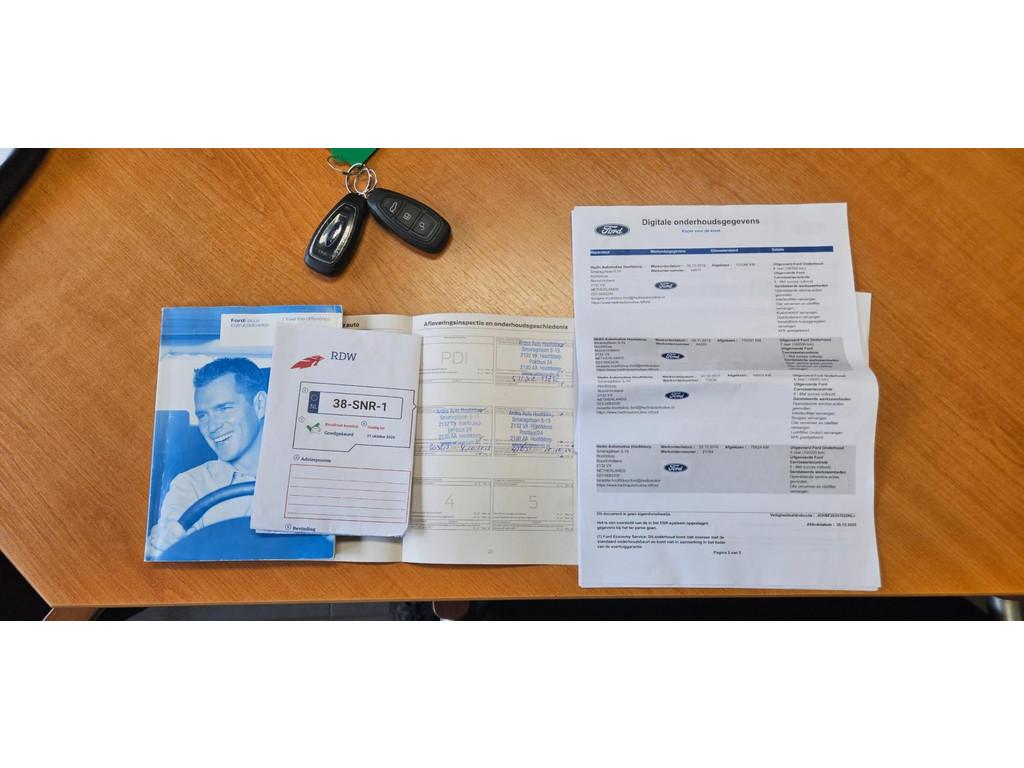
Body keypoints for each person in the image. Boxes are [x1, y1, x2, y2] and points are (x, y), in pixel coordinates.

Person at [147, 357, 268, 556]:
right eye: (203, 415)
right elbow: (173, 534)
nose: (212, 427)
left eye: (224, 408)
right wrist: (164, 544)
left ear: (260, 405)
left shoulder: (304, 473)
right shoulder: (190, 485)